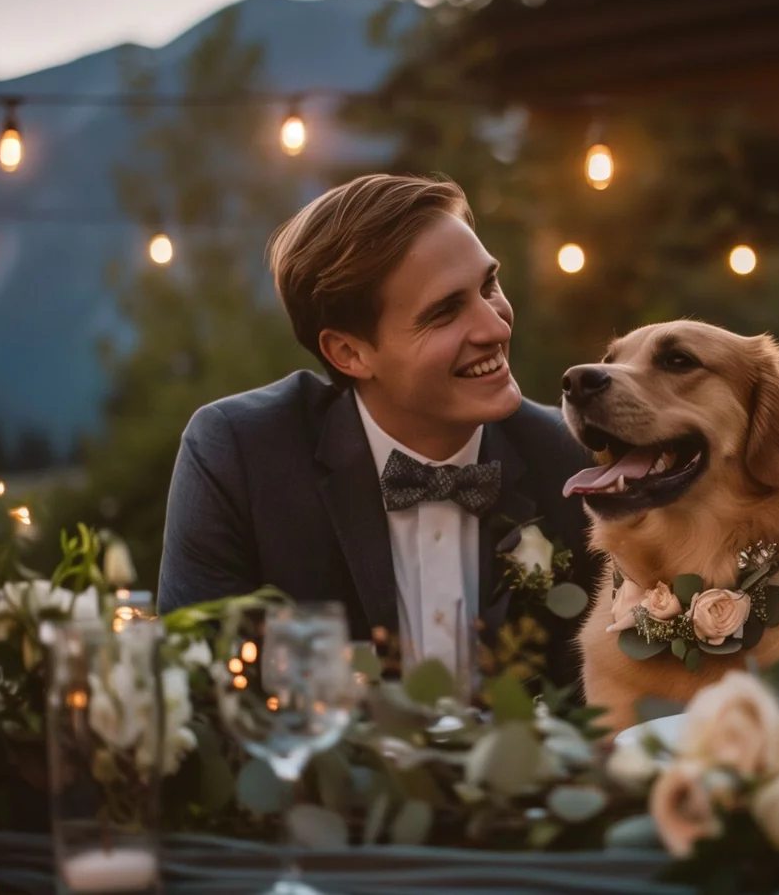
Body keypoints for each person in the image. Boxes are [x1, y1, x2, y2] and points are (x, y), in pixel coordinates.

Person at [156, 174, 595, 691]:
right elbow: (201, 693)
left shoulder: (569, 459)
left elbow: (605, 701)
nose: (496, 327)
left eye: (488, 286)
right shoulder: (240, 456)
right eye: (445, 311)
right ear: (349, 353)